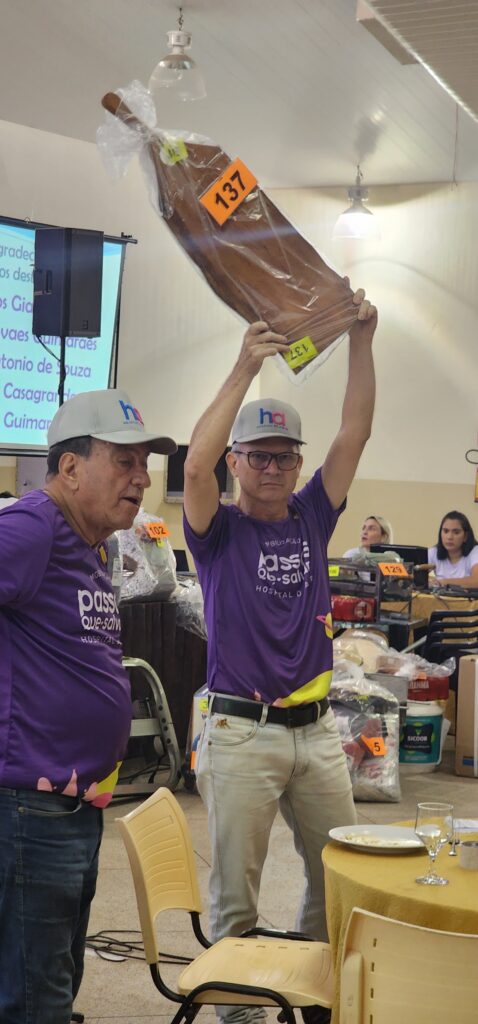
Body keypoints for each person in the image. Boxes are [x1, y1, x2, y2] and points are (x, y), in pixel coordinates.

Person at [183, 290, 377, 1024]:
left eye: (283, 456)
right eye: (257, 456)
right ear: (238, 461)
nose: (271, 468)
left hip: (316, 731)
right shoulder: (216, 531)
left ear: (297, 464)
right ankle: (241, 1013)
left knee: (339, 876)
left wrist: (361, 338)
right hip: (241, 733)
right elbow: (193, 469)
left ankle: (312, 993)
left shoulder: (311, 514)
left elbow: (353, 432)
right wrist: (243, 365)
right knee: (236, 890)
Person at [0, 388, 176, 1024]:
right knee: (33, 998)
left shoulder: (96, 543)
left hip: (74, 804)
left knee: (56, 981)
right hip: (28, 809)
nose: (141, 478)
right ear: (70, 468)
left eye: (144, 464)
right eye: (124, 461)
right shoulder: (31, 526)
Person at [428, 511, 478, 588]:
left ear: (465, 536)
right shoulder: (433, 552)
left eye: (456, 532)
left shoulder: (475, 551)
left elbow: (476, 581)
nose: (449, 537)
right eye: (446, 531)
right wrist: (428, 580)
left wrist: (443, 582)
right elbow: (411, 575)